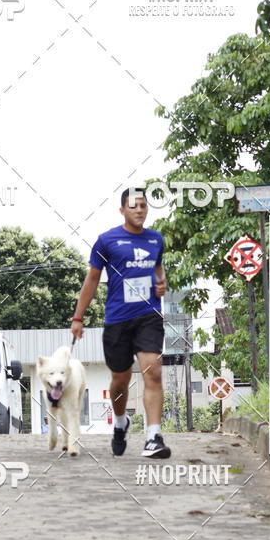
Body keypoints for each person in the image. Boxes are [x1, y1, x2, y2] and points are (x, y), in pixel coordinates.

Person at [71, 187, 171, 459]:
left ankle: (153, 437)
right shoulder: (107, 241)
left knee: (153, 371)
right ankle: (120, 422)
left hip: (149, 315)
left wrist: (161, 284)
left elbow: (157, 269)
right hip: (117, 319)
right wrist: (78, 317)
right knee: (119, 380)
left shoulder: (156, 240)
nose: (140, 210)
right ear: (122, 210)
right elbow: (92, 279)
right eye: (134, 205)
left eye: (143, 205)